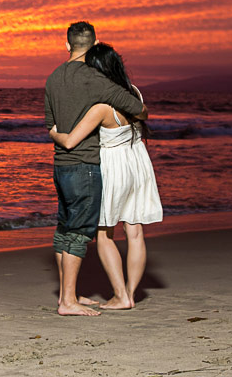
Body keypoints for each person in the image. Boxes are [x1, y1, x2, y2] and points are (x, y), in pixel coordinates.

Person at [44, 22, 147, 316]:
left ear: (67, 46)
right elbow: (137, 109)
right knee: (79, 233)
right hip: (86, 166)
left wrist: (59, 136)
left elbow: (51, 124)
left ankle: (69, 293)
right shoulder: (97, 79)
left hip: (60, 166)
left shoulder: (52, 78)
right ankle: (68, 302)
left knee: (64, 229)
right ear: (96, 44)